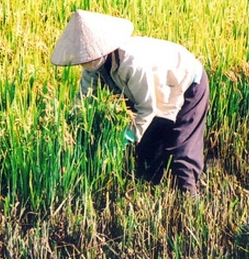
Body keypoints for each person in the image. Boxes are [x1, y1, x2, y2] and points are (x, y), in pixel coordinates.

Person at [51, 10, 209, 194]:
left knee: (181, 151)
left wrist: (124, 139)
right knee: (147, 154)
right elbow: (83, 104)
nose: (86, 62)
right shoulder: (92, 69)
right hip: (154, 93)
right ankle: (154, 195)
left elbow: (147, 108)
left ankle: (190, 200)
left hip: (186, 81)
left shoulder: (131, 63)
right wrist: (76, 136)